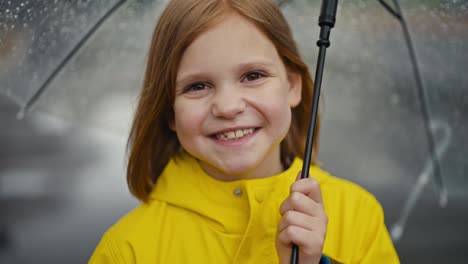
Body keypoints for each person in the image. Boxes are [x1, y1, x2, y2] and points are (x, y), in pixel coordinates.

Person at [89, 0, 399, 263]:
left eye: (253, 75)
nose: (227, 106)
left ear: (292, 86)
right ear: (170, 111)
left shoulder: (357, 215)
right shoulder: (127, 249)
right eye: (197, 86)